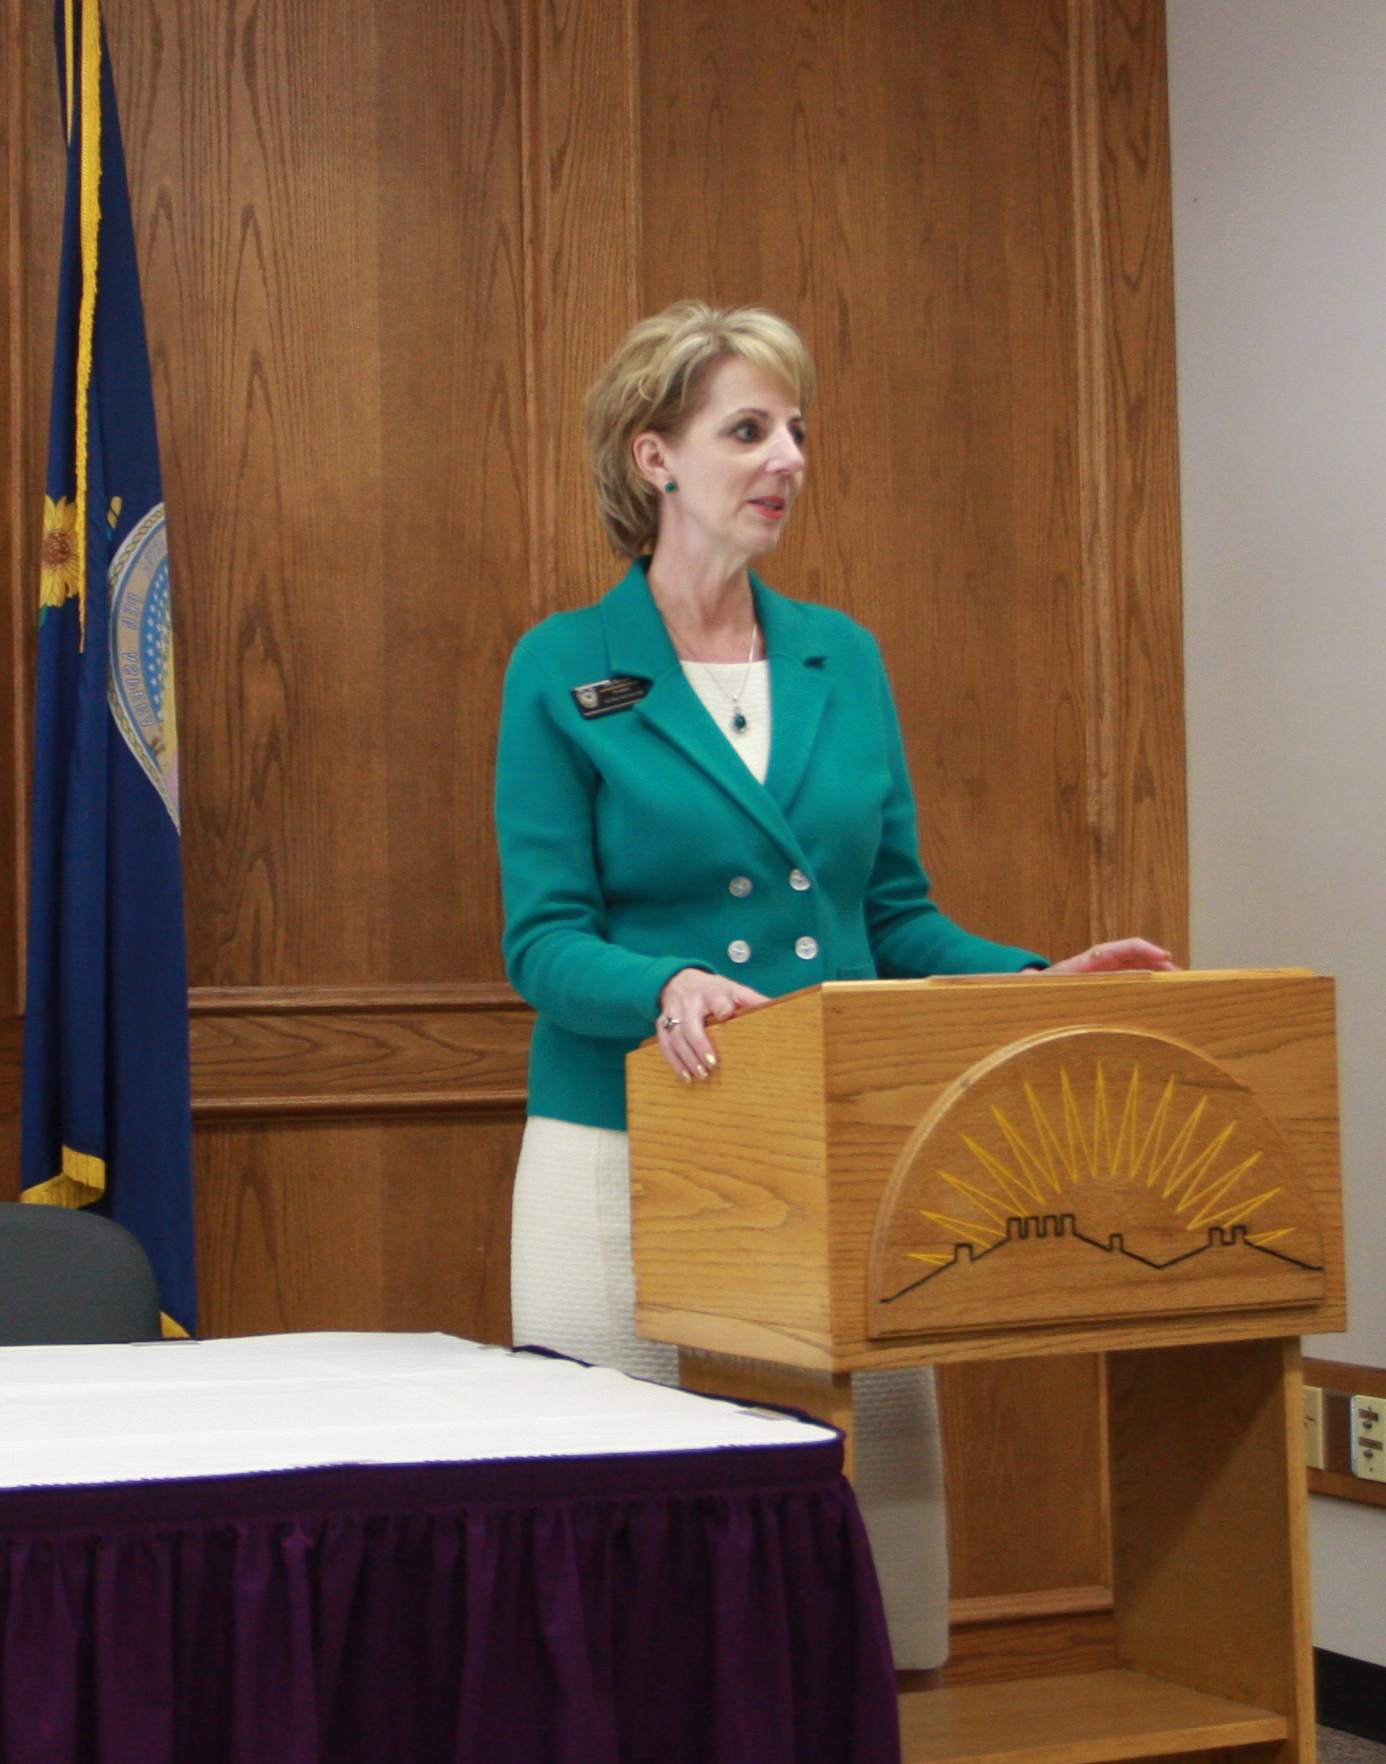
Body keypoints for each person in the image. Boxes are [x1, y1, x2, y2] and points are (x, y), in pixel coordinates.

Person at [493, 301, 1173, 1671]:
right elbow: (542, 942)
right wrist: (664, 982)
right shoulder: (561, 669)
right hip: (622, 1147)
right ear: (652, 460)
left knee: (869, 1510)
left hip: (831, 1144)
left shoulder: (839, 656)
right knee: (618, 1520)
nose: (786, 456)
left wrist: (1037, 980)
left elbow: (894, 920)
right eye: (747, 429)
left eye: (795, 428)